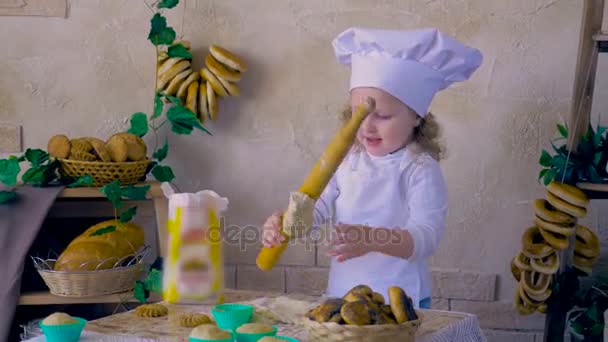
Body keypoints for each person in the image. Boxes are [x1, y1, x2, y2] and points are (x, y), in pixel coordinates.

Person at [262, 27, 483, 308]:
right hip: (343, 297)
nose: (366, 126)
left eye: (382, 115)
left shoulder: (419, 168)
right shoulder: (347, 159)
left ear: (416, 116)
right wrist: (286, 224)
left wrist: (371, 238)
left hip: (401, 303)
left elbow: (425, 237)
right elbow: (315, 212)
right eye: (358, 113)